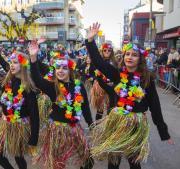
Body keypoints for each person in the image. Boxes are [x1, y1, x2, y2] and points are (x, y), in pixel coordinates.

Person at [86, 23, 174, 169]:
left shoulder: (147, 79)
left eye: (134, 55)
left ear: (140, 59)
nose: (130, 57)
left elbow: (155, 106)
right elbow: (99, 62)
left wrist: (163, 132)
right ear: (123, 56)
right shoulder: (117, 75)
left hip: (136, 123)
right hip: (117, 121)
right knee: (113, 160)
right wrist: (90, 41)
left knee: (134, 161)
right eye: (127, 54)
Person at [0, 36, 39, 169]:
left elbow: (34, 114)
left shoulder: (28, 88)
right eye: (11, 62)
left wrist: (34, 138)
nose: (11, 65)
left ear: (22, 65)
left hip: (21, 126)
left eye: (15, 62)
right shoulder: (6, 81)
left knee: (18, 156)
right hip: (6, 124)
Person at [29, 40, 93, 169]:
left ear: (70, 70)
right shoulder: (52, 87)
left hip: (75, 128)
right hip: (57, 129)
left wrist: (91, 125)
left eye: (64, 68)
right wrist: (33, 57)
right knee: (57, 163)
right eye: (58, 68)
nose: (60, 71)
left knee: (88, 161)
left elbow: (85, 108)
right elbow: (37, 79)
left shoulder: (78, 86)